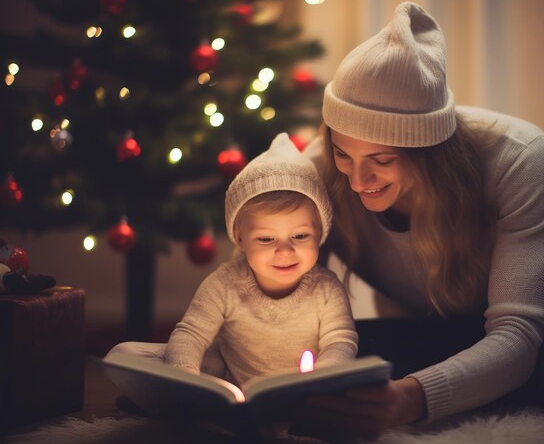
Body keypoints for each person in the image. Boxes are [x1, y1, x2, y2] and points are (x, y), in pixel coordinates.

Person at [292, 2, 544, 440]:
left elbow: (516, 332)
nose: (357, 180)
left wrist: (411, 399)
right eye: (343, 153)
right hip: (458, 322)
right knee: (342, 355)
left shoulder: (519, 154)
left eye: (382, 160)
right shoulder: (319, 170)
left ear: (429, 152)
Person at [107, 133, 357, 392]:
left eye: (300, 236)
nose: (285, 250)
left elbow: (341, 343)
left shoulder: (326, 289)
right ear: (240, 238)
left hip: (302, 394)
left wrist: (324, 375)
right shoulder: (225, 283)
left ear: (320, 233)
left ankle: (159, 402)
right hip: (229, 383)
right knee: (125, 355)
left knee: (347, 381)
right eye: (266, 239)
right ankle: (181, 399)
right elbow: (190, 334)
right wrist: (185, 374)